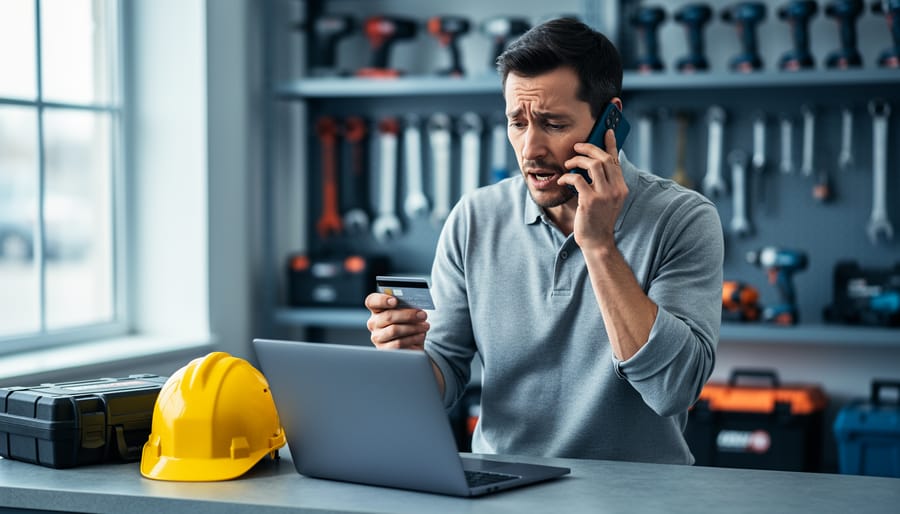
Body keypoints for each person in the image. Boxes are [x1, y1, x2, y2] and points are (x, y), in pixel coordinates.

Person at [365, 17, 723, 465]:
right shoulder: (474, 218)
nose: (530, 148)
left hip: (638, 495)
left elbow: (673, 390)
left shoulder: (683, 219)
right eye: (517, 122)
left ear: (609, 119)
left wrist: (599, 247)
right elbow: (444, 379)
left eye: (552, 123)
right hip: (505, 488)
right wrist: (409, 357)